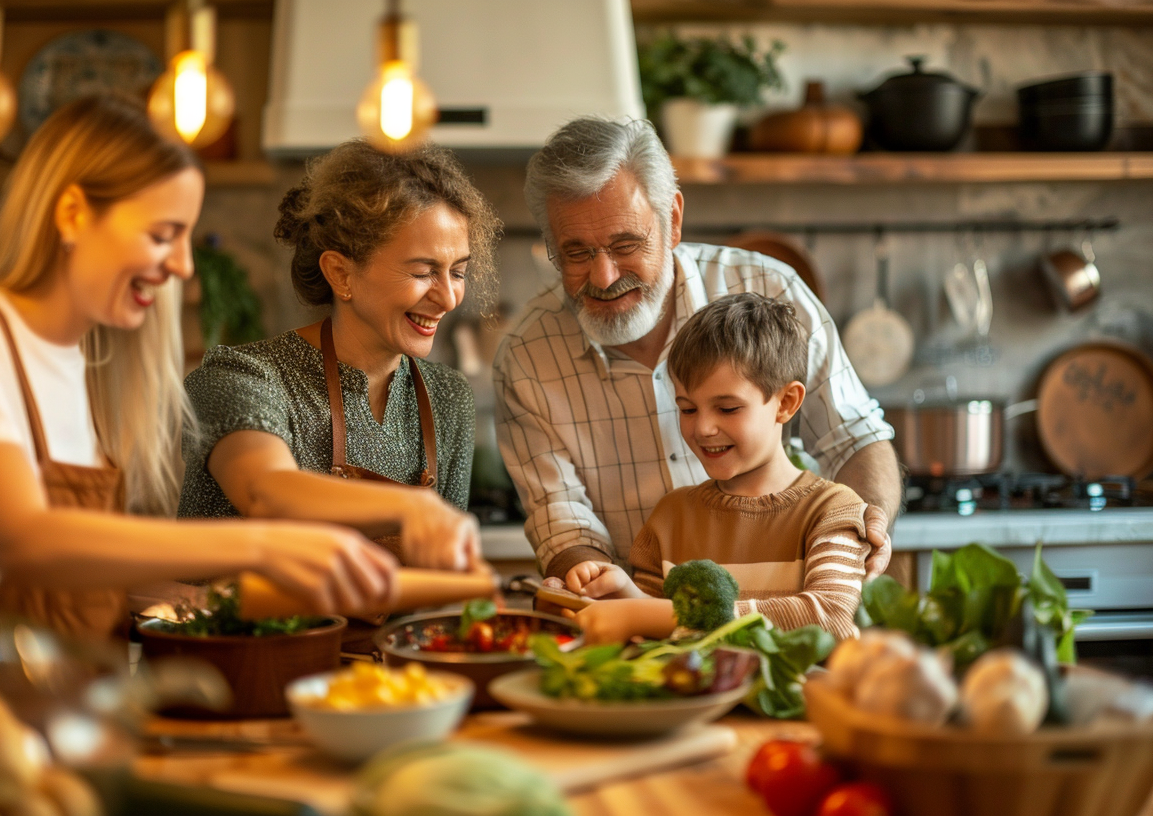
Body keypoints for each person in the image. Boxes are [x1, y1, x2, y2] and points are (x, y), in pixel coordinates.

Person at [0, 96, 396, 663]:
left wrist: (193, 600)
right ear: (73, 215)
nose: (182, 265)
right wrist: (263, 543)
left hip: (82, 702)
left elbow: (75, 566)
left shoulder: (78, 360)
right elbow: (23, 538)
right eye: (162, 235)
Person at [493, 117, 900, 585]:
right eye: (577, 253)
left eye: (626, 244)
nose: (603, 277)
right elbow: (563, 521)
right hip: (637, 618)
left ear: (673, 220)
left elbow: (852, 437)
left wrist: (863, 528)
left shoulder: (771, 289)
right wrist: (593, 581)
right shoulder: (526, 356)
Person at [177, 141, 501, 572]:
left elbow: (436, 567)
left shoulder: (447, 396)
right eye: (423, 272)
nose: (448, 298)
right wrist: (412, 507)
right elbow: (264, 492)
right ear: (340, 273)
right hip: (230, 618)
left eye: (457, 272)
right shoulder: (241, 377)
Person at [560, 294, 870, 644]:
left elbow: (830, 618)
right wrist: (625, 595)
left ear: (786, 403)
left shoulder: (831, 510)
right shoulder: (670, 518)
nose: (703, 428)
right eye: (688, 409)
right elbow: (659, 636)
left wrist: (643, 614)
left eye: (727, 409)